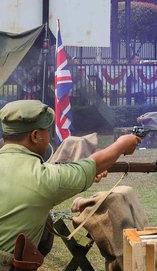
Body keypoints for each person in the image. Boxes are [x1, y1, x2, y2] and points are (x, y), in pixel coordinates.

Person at [0, 100, 140, 267]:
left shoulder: (39, 175)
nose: (49, 137)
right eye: (47, 131)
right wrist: (123, 143)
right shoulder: (45, 179)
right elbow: (93, 165)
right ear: (35, 136)